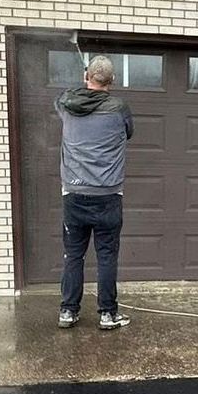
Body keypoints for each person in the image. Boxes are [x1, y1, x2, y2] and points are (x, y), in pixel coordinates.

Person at [55, 54, 135, 330]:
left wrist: (82, 83)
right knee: (106, 256)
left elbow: (65, 97)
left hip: (74, 196)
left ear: (86, 77)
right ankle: (108, 314)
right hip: (108, 197)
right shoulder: (119, 108)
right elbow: (129, 132)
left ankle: (68, 311)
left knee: (73, 255)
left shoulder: (66, 105)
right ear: (112, 81)